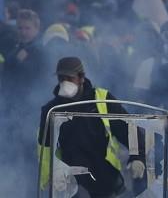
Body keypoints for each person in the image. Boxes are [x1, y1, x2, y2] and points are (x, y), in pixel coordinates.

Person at [38, 57, 146, 198]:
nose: (65, 83)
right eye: (61, 78)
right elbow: (45, 147)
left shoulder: (102, 99)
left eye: (69, 78)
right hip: (70, 181)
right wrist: (48, 176)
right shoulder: (51, 109)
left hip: (104, 177)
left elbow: (128, 129)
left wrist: (138, 157)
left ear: (81, 78)